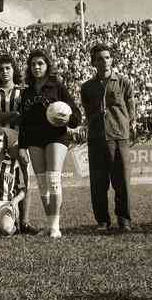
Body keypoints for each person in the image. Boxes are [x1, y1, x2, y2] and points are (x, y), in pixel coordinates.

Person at [18, 49, 81, 238]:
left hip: (56, 137)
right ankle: (49, 223)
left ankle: (55, 226)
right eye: (33, 64)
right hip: (34, 139)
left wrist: (67, 119)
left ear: (47, 66)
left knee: (53, 180)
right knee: (42, 183)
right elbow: (24, 122)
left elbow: (76, 116)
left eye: (40, 63)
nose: (36, 67)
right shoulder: (27, 92)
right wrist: (22, 146)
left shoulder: (57, 87)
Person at [81, 43, 135, 232]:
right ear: (93, 62)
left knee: (122, 182)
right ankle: (102, 221)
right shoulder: (86, 87)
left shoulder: (123, 82)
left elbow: (130, 109)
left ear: (112, 59)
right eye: (99, 58)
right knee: (98, 182)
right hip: (96, 139)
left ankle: (124, 219)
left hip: (119, 137)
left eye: (106, 57)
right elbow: (87, 113)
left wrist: (126, 128)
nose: (103, 61)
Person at [0, 55, 37, 235]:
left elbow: (27, 117)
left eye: (8, 68)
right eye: (1, 69)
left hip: (17, 138)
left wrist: (2, 116)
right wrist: (14, 115)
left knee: (24, 177)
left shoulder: (22, 91)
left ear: (14, 70)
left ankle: (24, 221)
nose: (5, 72)